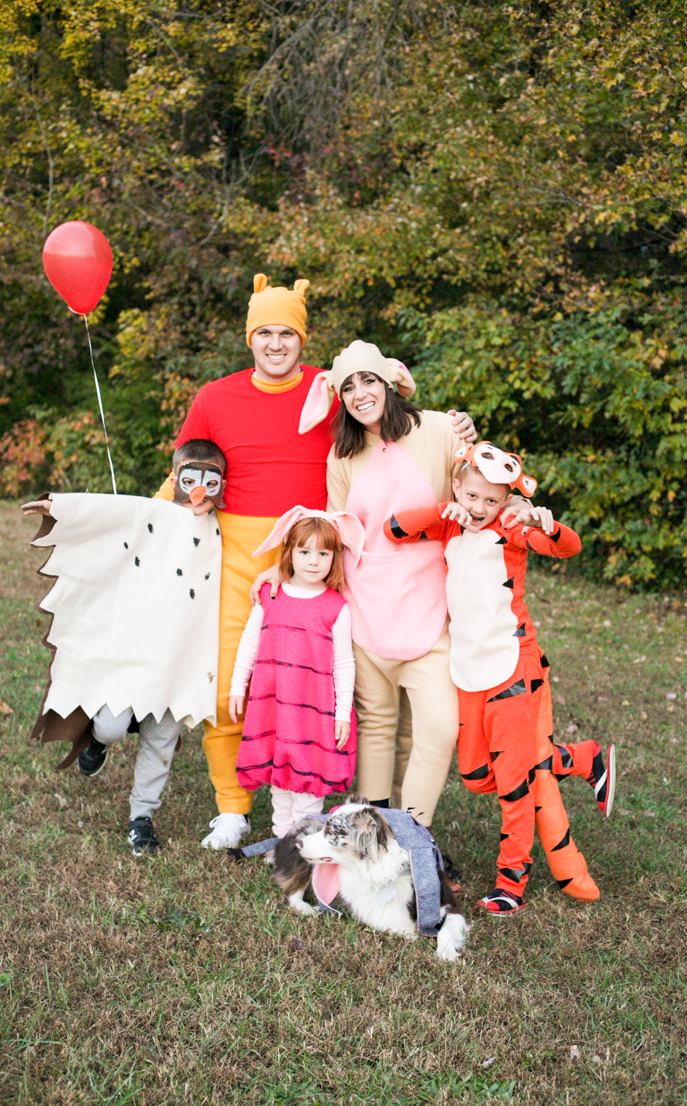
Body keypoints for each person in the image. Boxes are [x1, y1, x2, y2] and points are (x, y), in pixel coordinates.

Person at [157, 275, 478, 847]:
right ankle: (233, 807)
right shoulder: (216, 397)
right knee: (235, 679)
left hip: (321, 563)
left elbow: (447, 460)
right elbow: (180, 479)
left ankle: (370, 816)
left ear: (302, 340)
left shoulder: (331, 398)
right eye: (265, 333)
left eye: (287, 332)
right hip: (241, 558)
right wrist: (145, 523)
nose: (276, 343)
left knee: (330, 692)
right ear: (249, 338)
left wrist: (464, 433)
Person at [384, 440, 616, 914]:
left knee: (514, 782)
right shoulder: (449, 524)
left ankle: (511, 881)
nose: (481, 508)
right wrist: (445, 507)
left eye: (492, 500)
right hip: (466, 669)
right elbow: (395, 528)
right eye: (473, 496)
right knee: (474, 775)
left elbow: (566, 546)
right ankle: (582, 758)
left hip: (513, 665)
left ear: (506, 500)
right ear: (458, 486)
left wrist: (544, 522)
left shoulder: (510, 528)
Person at [288, 340, 484, 829]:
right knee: (377, 725)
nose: (359, 394)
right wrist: (285, 569)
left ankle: (413, 836)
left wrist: (520, 506)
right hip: (366, 606)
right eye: (348, 387)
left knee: (437, 730)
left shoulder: (439, 427)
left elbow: (484, 489)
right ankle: (372, 834)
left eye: (368, 381)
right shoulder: (342, 454)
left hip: (429, 605)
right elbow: (337, 530)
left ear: (389, 382)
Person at [23, 439, 227, 856]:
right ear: (176, 478)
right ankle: (97, 740)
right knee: (114, 724)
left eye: (211, 480)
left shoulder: (226, 527)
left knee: (162, 738)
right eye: (191, 479)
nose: (200, 490)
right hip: (138, 650)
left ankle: (142, 816)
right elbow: (109, 513)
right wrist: (57, 508)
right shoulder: (154, 513)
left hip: (183, 656)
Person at [230, 510, 362, 837]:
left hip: (315, 711)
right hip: (276, 705)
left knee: (308, 780)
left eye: (323, 553)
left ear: (335, 558)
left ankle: (304, 846)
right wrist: (237, 686)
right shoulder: (270, 595)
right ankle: (281, 841)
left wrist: (342, 713)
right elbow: (249, 643)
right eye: (304, 552)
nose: (313, 561)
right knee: (281, 779)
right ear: (289, 554)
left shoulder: (336, 607)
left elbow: (344, 662)